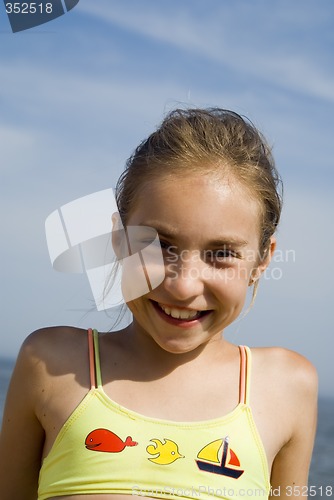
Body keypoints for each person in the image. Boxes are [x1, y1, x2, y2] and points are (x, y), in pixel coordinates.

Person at [0, 108, 317, 500]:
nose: (183, 287)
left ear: (262, 261)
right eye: (161, 245)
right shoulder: (51, 364)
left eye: (221, 253)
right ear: (118, 240)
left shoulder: (286, 387)